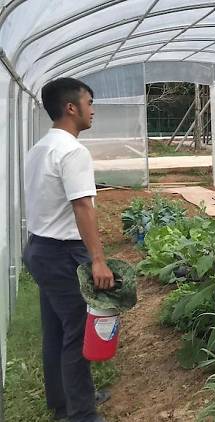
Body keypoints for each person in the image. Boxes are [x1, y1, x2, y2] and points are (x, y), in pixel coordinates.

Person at [22, 77, 114, 422]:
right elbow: (83, 207)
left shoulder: (40, 147)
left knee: (56, 331)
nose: (93, 111)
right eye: (89, 103)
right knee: (77, 332)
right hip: (62, 254)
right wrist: (98, 260)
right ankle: (82, 414)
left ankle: (65, 402)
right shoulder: (73, 150)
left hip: (40, 249)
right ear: (71, 107)